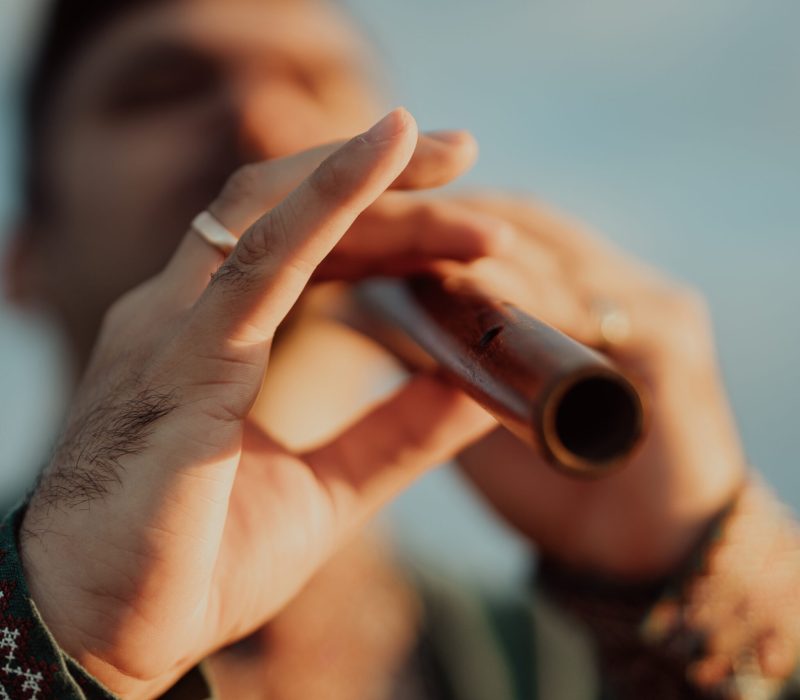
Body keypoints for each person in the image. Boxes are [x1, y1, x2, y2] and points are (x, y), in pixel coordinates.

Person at [2, 1, 799, 698]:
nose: (263, 120)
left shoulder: (550, 663)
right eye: (160, 91)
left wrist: (695, 588)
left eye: (319, 84)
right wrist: (59, 638)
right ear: (24, 258)